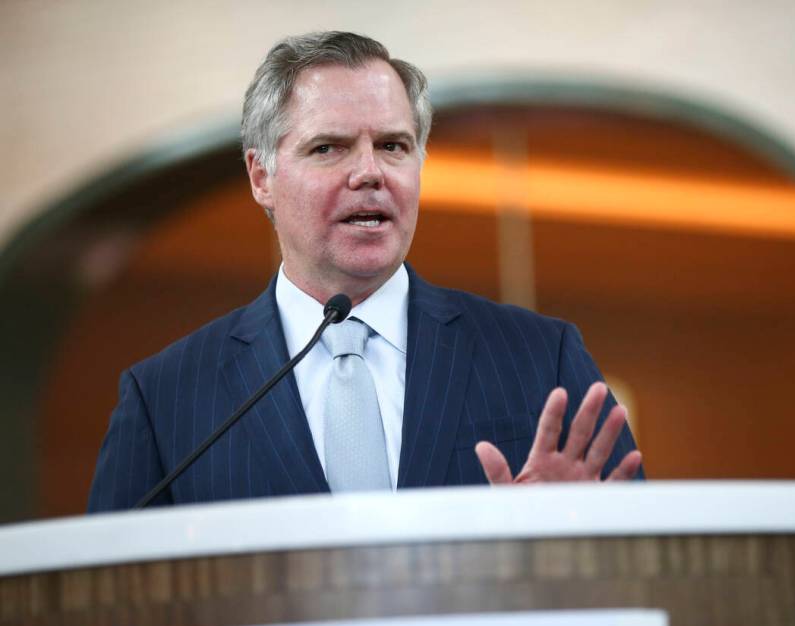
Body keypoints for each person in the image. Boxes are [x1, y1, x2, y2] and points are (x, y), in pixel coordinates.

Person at [87, 32, 642, 511]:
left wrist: (570, 538)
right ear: (261, 176)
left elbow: (644, 565)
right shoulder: (165, 398)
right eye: (329, 148)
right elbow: (106, 605)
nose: (370, 173)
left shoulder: (541, 357)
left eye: (393, 145)